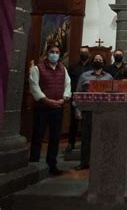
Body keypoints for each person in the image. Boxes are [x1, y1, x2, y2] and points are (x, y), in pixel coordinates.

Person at [29, 45, 71, 176]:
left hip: (58, 107)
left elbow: (67, 85)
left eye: (57, 52)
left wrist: (64, 99)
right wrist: (46, 100)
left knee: (55, 136)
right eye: (52, 52)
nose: (55, 54)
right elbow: (34, 86)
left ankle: (52, 164)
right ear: (47, 54)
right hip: (43, 107)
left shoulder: (63, 69)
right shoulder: (37, 68)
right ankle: (34, 164)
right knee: (38, 134)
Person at [74, 53, 113, 170]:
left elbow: (112, 95)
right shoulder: (84, 76)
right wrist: (77, 109)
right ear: (92, 61)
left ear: (104, 62)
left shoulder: (109, 77)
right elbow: (78, 93)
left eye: (100, 60)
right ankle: (84, 162)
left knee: (102, 137)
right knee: (86, 138)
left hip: (103, 111)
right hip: (88, 110)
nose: (98, 61)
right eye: (96, 59)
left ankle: (101, 161)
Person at [65, 46, 91, 153]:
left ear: (88, 54)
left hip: (89, 98)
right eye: (82, 52)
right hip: (75, 96)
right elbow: (68, 82)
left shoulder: (92, 68)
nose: (83, 54)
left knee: (88, 121)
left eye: (85, 52)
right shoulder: (73, 67)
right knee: (74, 121)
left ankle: (87, 144)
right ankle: (71, 143)